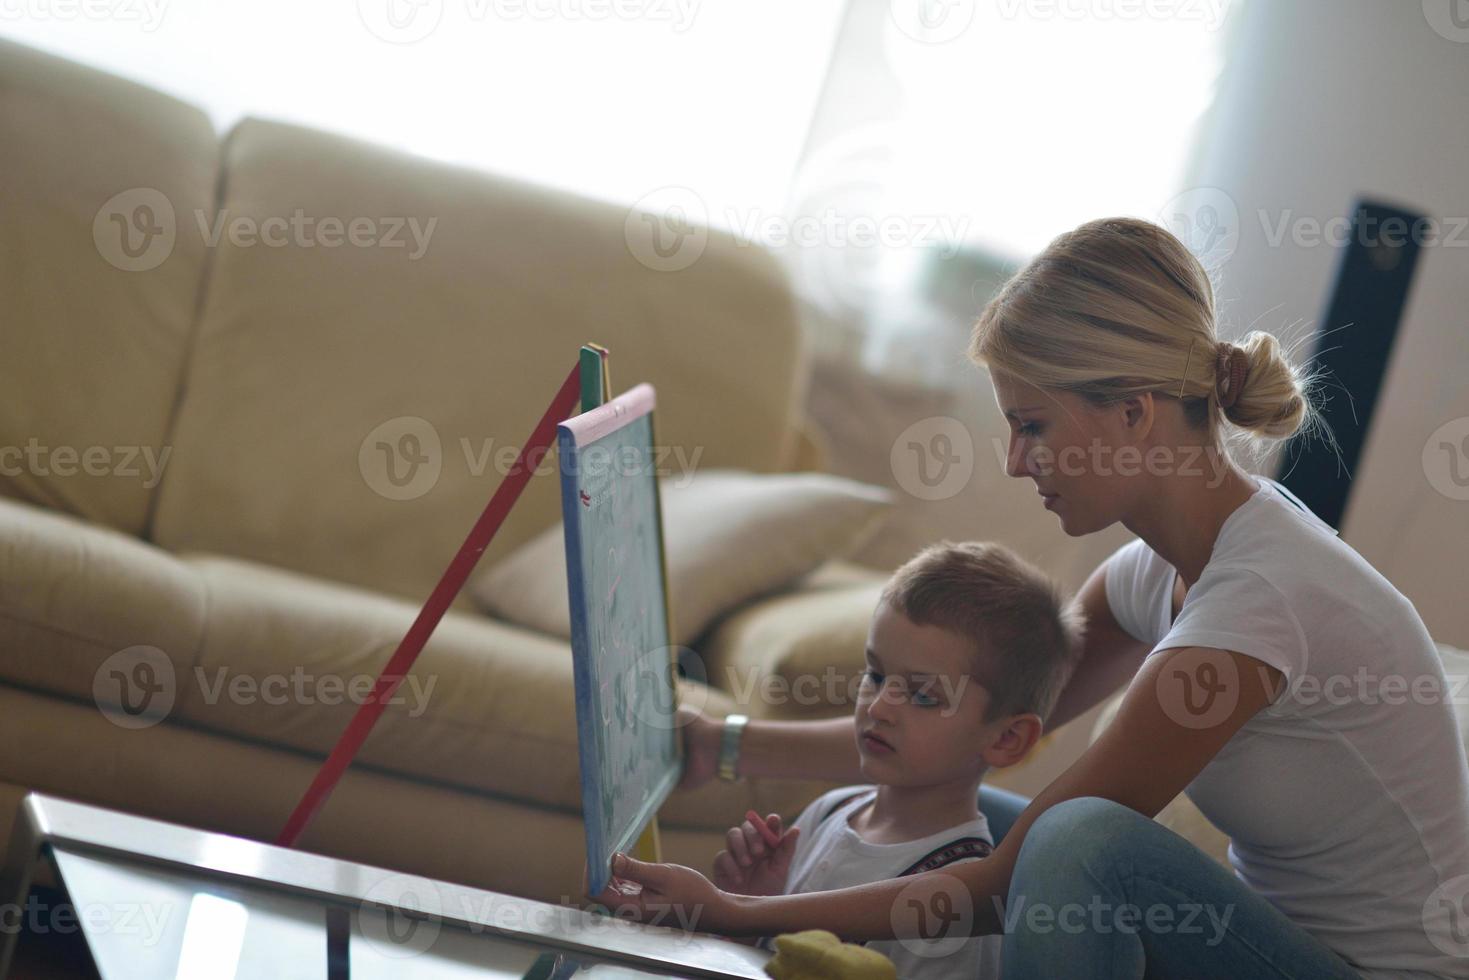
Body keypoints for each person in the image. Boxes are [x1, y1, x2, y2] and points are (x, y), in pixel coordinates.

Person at [593, 217, 1469, 979]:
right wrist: (725, 745)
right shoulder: (1157, 570)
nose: (1016, 461)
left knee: (1072, 841)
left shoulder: (1254, 604)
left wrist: (732, 913)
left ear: (1133, 413)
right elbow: (982, 723)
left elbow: (1014, 880)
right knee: (959, 793)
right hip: (1265, 939)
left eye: (1032, 425)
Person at [711, 541, 1082, 979]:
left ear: (1006, 738)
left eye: (924, 695)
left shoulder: (956, 904)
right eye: (876, 675)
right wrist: (749, 913)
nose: (879, 706)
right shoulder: (829, 811)